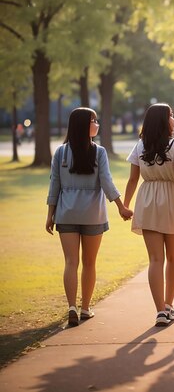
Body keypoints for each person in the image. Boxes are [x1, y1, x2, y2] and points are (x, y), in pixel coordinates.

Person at [46, 107, 133, 327]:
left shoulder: (60, 152)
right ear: (84, 125)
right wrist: (121, 207)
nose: (97, 124)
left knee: (70, 262)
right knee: (89, 262)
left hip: (66, 213)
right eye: (94, 121)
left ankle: (71, 307)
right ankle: (85, 308)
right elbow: (107, 182)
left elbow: (54, 185)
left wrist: (50, 215)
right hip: (93, 213)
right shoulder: (99, 151)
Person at [123, 103, 174, 327]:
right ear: (163, 121)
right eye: (171, 116)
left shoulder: (140, 146)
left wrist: (126, 205)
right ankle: (168, 305)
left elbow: (132, 179)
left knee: (155, 259)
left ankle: (160, 310)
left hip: (148, 199)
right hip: (172, 198)